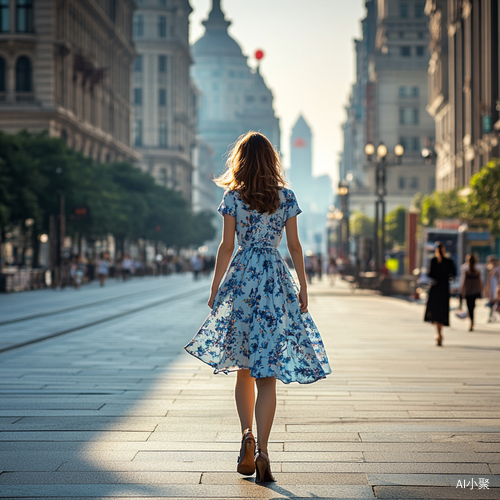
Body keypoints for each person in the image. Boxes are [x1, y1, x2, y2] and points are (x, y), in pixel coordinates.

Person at [184, 132, 331, 483]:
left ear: (241, 161)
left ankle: (246, 439)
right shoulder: (286, 197)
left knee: (243, 368)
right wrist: (305, 286)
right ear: (272, 160)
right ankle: (264, 450)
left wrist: (216, 286)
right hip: (275, 281)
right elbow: (294, 247)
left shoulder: (233, 197)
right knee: (268, 375)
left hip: (243, 281)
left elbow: (225, 246)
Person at [424, 242, 457, 346]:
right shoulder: (449, 261)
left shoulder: (433, 261)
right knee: (442, 311)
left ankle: (438, 333)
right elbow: (454, 273)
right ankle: (440, 332)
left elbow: (430, 274)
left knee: (435, 311)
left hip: (435, 287)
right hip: (444, 288)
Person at [460, 254, 483, 331]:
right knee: (472, 307)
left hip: (469, 292)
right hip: (474, 292)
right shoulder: (476, 272)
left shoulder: (467, 272)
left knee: (470, 308)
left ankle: (471, 322)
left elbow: (463, 283)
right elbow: (480, 283)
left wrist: (462, 291)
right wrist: (482, 291)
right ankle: (472, 322)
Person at [484, 256, 499, 322]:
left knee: (497, 303)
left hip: (496, 287)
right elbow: (488, 281)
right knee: (491, 303)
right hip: (491, 288)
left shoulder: (498, 269)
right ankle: (491, 316)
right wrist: (487, 290)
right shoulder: (488, 269)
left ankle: (493, 316)